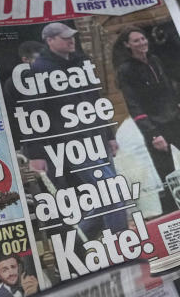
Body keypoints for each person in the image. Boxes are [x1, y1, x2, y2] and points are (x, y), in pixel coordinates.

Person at [28, 22, 125, 237]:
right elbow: (32, 112)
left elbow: (95, 100)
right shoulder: (39, 69)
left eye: (71, 36)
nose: (71, 40)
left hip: (97, 137)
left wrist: (109, 135)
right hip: (72, 143)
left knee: (106, 198)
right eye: (64, 37)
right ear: (50, 41)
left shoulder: (82, 62)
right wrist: (35, 153)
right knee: (112, 191)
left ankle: (78, 243)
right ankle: (120, 241)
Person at [116, 27, 180, 213]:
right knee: (168, 177)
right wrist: (153, 135)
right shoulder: (125, 70)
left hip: (175, 122)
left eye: (143, 38)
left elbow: (170, 92)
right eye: (136, 40)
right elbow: (134, 106)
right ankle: (174, 214)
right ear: (127, 45)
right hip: (156, 129)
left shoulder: (155, 60)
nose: (142, 43)